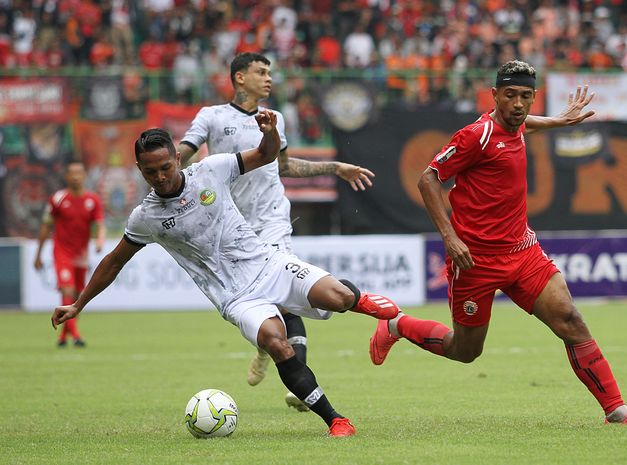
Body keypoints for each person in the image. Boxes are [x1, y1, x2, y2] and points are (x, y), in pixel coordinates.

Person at [50, 113, 401, 437]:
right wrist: (79, 304)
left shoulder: (210, 170)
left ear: (177, 158)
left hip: (269, 264)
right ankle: (336, 420)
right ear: (140, 169)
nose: (159, 177)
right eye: (149, 171)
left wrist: (270, 133)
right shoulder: (146, 218)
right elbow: (113, 261)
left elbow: (266, 156)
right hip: (235, 297)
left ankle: (391, 323)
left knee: (338, 296)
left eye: (165, 167)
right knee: (277, 344)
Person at [369, 60, 627, 425]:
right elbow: (428, 178)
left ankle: (617, 410)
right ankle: (396, 325)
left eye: (526, 96)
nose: (518, 104)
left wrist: (558, 121)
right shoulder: (476, 135)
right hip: (476, 261)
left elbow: (521, 126)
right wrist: (449, 237)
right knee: (465, 350)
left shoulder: (516, 125)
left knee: (571, 321)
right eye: (510, 96)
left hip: (523, 253)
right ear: (495, 96)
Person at [177, 52, 375, 412]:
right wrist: (169, 178)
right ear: (239, 78)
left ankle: (298, 381)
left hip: (272, 221)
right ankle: (266, 348)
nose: (269, 78)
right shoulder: (212, 116)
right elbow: (183, 156)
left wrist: (335, 167)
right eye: (260, 72)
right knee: (263, 302)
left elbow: (285, 167)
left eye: (270, 72)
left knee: (284, 289)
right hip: (232, 229)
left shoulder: (275, 119)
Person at [35, 161, 105, 348]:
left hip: (81, 256)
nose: (75, 177)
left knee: (76, 298)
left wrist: (99, 240)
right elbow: (45, 226)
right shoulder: (57, 199)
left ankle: (62, 336)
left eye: (79, 173)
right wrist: (38, 254)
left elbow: (99, 224)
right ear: (67, 176)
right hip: (62, 253)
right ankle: (76, 335)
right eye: (72, 173)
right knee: (67, 291)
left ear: (84, 176)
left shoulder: (93, 200)